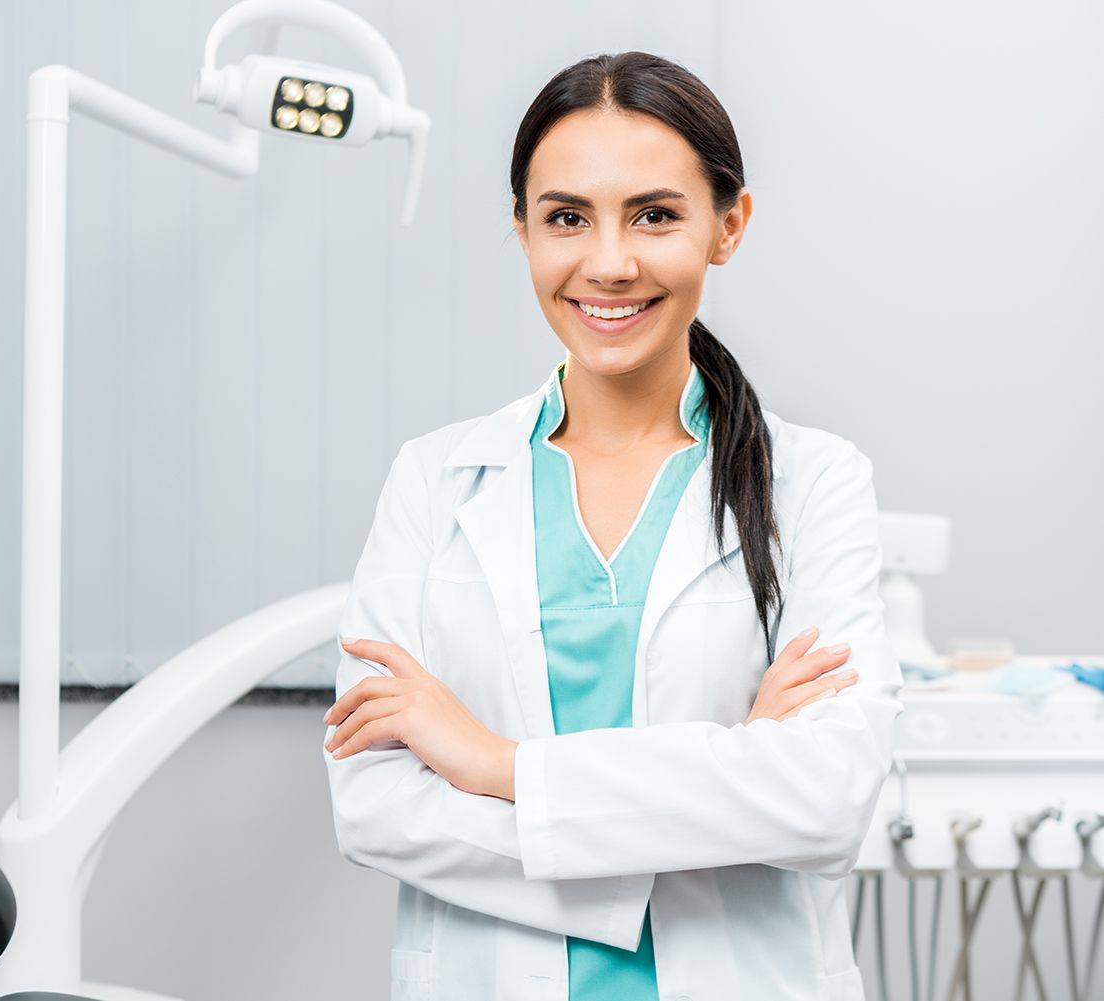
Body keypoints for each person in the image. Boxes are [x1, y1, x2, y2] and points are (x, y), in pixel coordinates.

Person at [320, 51, 903, 1001]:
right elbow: (376, 804)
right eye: (566, 218)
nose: (608, 263)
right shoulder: (435, 480)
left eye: (655, 214)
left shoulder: (815, 482)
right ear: (521, 230)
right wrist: (720, 790)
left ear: (729, 225)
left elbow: (825, 797)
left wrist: (495, 764)